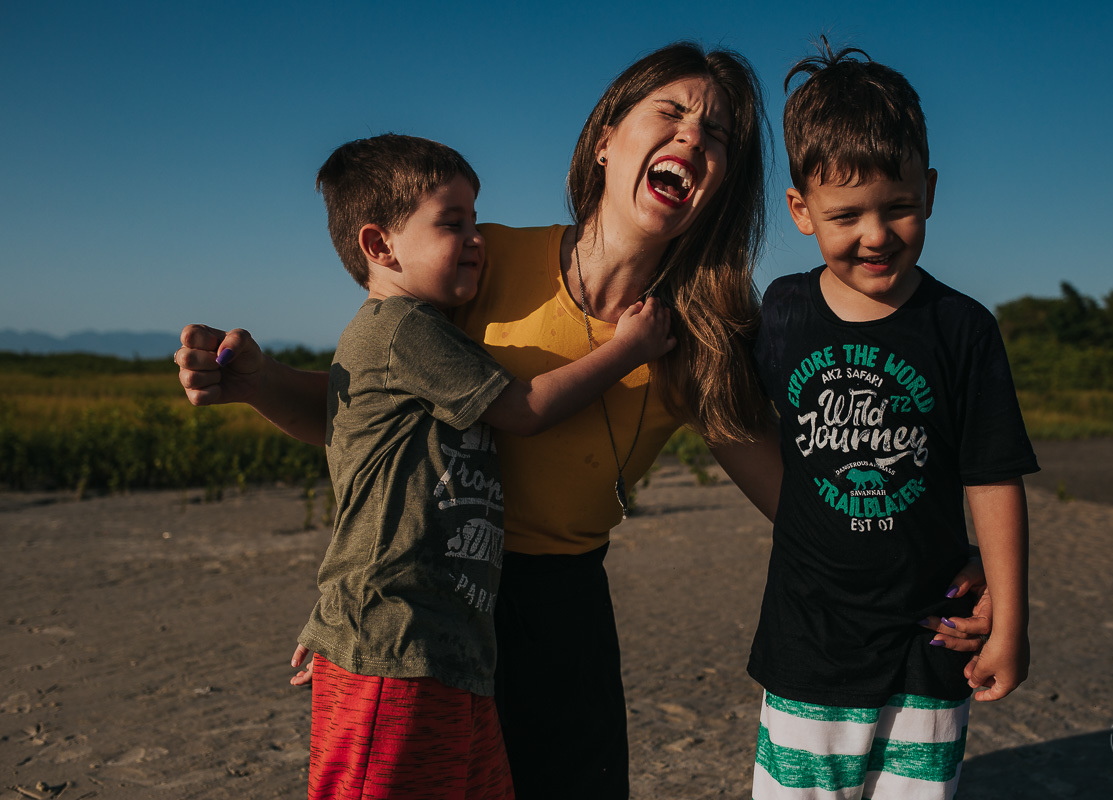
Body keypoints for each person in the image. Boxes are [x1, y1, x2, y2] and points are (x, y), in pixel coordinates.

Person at [175, 42, 992, 800]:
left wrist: (948, 562)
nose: (692, 137)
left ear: (721, 185)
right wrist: (258, 382)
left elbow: (804, 504)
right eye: (670, 112)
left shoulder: (695, 337)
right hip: (439, 602)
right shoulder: (484, 261)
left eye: (717, 134)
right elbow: (365, 415)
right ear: (607, 137)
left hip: (567, 617)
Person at [281, 133, 673, 800]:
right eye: (452, 223)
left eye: (475, 219)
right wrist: (628, 347)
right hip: (393, 646)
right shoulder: (401, 328)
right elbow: (524, 407)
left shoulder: (432, 335)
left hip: (449, 650)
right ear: (380, 246)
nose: (476, 237)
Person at [748, 42, 1038, 799]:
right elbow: (726, 412)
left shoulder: (961, 328)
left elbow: (993, 476)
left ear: (931, 192)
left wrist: (1009, 617)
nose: (876, 234)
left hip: (931, 637)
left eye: (898, 206)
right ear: (801, 212)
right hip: (810, 638)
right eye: (846, 215)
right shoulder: (781, 313)